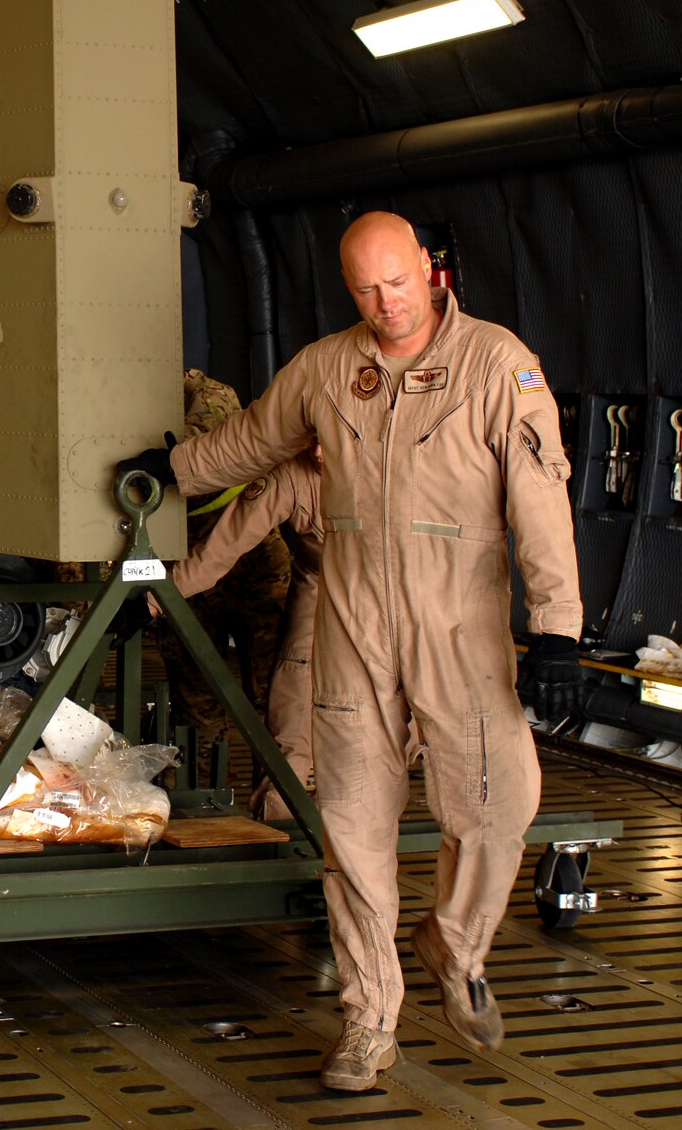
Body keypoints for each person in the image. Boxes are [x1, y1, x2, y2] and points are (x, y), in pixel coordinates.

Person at [118, 210, 583, 1091]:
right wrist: (174, 471)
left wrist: (558, 626)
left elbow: (541, 498)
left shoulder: (496, 364)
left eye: (397, 281)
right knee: (353, 835)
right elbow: (253, 440)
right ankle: (369, 1022)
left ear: (430, 269)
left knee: (495, 810)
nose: (385, 302)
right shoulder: (330, 367)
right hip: (352, 630)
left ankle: (454, 947)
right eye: (366, 288)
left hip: (461, 633)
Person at [162, 443, 325, 821]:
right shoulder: (291, 469)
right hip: (314, 584)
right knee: (288, 704)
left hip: (393, 596)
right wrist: (156, 598)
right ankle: (279, 823)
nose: (317, 450)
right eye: (313, 436)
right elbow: (224, 544)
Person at [153, 370, 290, 764]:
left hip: (250, 557)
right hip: (182, 559)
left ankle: (287, 793)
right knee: (195, 692)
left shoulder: (207, 393)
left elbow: (205, 458)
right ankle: (205, 797)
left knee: (277, 689)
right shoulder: (113, 399)